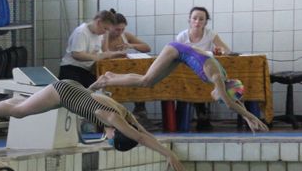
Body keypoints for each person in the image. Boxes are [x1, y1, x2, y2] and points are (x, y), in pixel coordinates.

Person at [0, 79, 185, 171]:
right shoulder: (113, 119)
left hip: (70, 90)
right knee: (20, 112)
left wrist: (167, 152)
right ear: (117, 134)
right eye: (111, 141)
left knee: (23, 106)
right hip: (62, 93)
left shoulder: (125, 116)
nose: (106, 140)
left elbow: (144, 134)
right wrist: (166, 152)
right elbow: (141, 138)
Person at [90, 41, 268, 133]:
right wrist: (253, 116)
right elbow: (230, 103)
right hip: (175, 50)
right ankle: (106, 80)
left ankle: (111, 77)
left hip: (180, 54)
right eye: (220, 97)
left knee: (149, 82)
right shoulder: (217, 77)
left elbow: (233, 101)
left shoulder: (225, 81)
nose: (215, 98)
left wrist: (247, 119)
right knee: (145, 80)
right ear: (223, 91)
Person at [173, 7, 230, 131]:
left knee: (211, 80)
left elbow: (226, 50)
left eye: (201, 19)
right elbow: (175, 55)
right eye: (194, 18)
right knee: (188, 83)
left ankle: (203, 115)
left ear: (206, 22)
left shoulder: (211, 34)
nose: (197, 22)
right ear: (189, 20)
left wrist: (221, 50)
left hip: (206, 70)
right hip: (187, 72)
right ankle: (199, 115)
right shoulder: (182, 36)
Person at [104, 9, 152, 121]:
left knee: (140, 75)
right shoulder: (103, 37)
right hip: (108, 71)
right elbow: (104, 56)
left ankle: (140, 110)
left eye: (122, 29)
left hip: (124, 71)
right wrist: (116, 54)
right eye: (117, 29)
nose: (119, 32)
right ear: (110, 27)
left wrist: (130, 45)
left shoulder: (125, 36)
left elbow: (147, 48)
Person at [59, 10, 125, 88]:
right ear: (98, 22)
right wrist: (98, 57)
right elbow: (77, 54)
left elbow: (104, 51)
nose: (105, 32)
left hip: (87, 70)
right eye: (105, 28)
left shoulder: (98, 34)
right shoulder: (81, 32)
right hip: (72, 70)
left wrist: (115, 54)